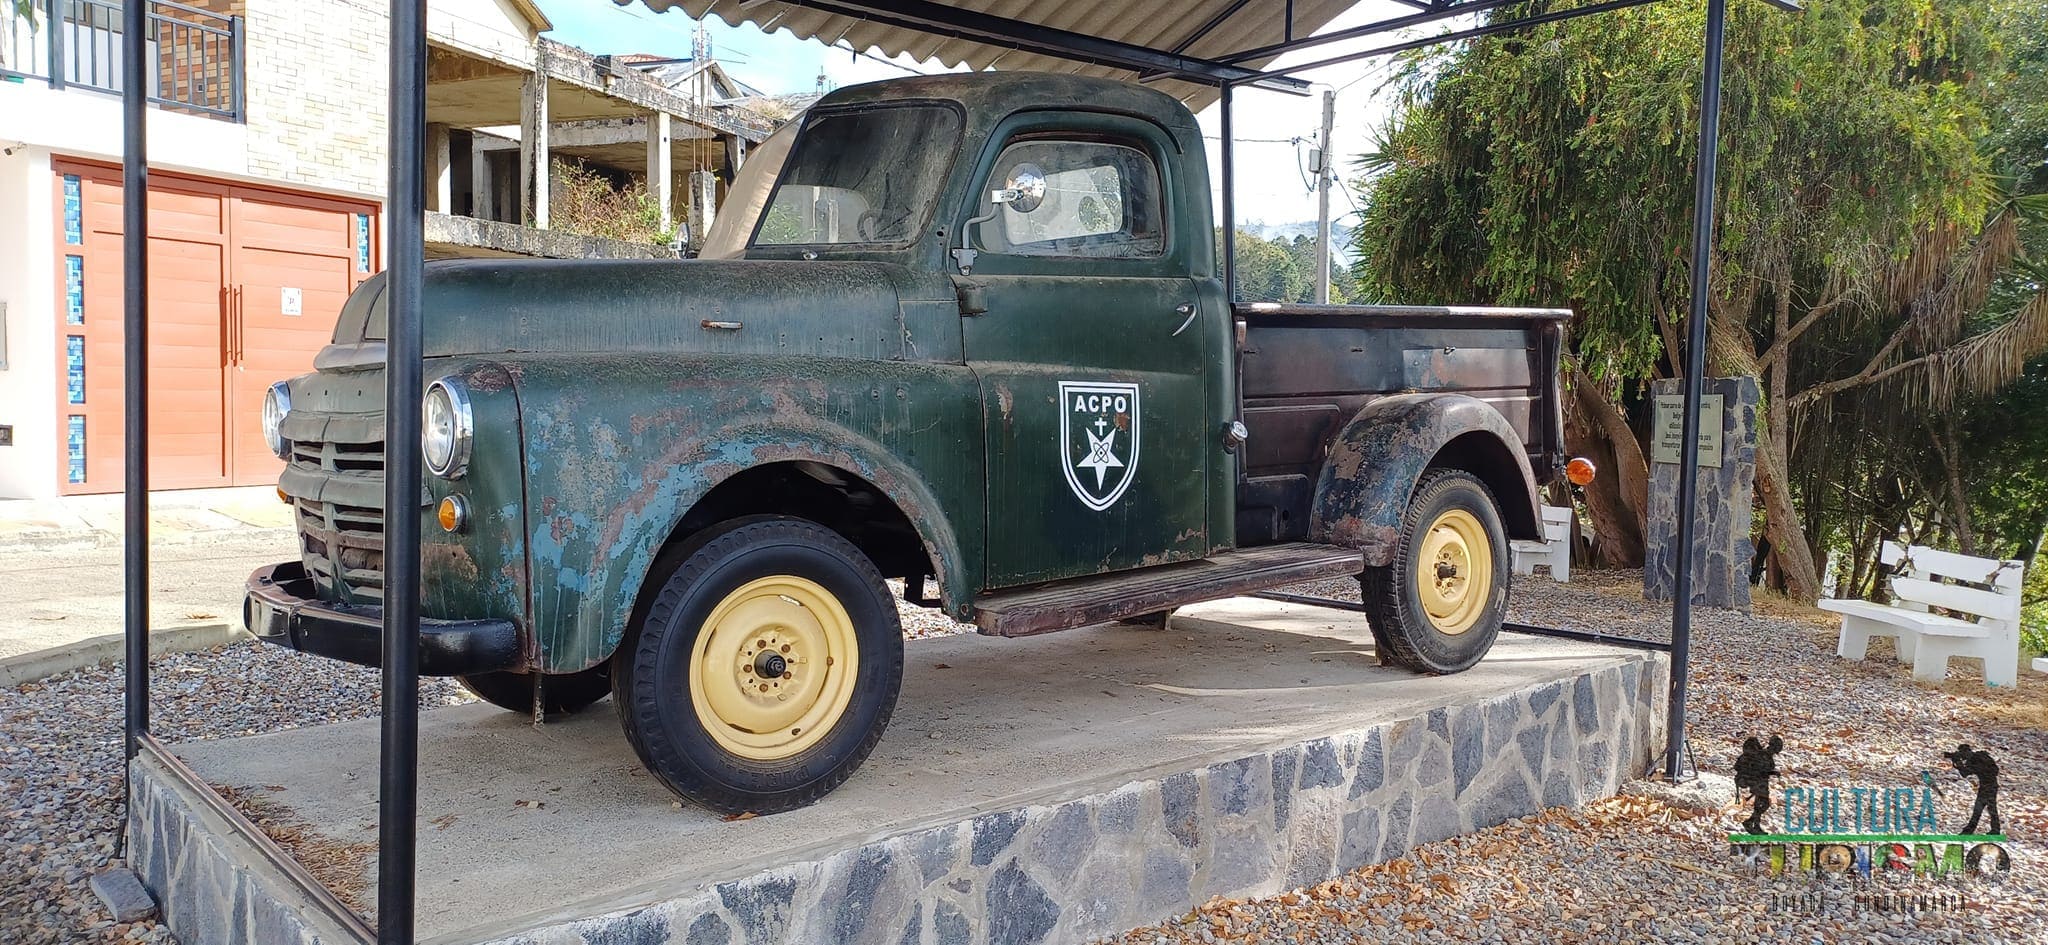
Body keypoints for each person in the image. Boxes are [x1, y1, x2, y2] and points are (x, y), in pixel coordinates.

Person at [1943, 743, 2001, 836]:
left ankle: (1969, 831)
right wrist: (1957, 762)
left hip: (1988, 786)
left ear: (1967, 752)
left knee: (1979, 809)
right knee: (1990, 808)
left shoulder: (1976, 759)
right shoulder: (1980, 756)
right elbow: (1965, 773)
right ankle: (1995, 830)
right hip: (1989, 786)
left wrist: (1958, 763)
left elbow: (1965, 773)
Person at [1733, 735, 1783, 835]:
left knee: (1762, 804)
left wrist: (1773, 772)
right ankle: (1753, 825)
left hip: (1760, 782)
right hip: (1757, 782)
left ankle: (1752, 824)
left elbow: (1764, 770)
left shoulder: (1766, 755)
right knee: (1762, 804)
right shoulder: (1764, 755)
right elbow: (1758, 770)